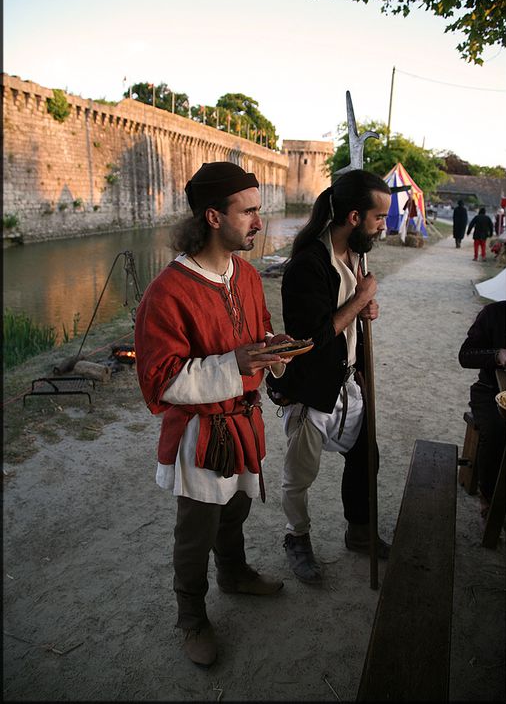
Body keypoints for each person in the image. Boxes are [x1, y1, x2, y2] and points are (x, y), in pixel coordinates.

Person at [134, 161, 292, 667]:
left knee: (237, 510)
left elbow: (256, 333)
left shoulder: (244, 274)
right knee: (196, 530)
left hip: (243, 422)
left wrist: (273, 349)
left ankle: (235, 573)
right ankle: (192, 620)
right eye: (248, 212)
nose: (259, 222)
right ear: (213, 217)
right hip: (202, 434)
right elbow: (159, 382)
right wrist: (236, 362)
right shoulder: (167, 292)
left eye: (258, 211)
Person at [266, 169, 392, 584]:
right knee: (300, 474)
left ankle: (359, 531)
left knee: (364, 457)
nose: (382, 225)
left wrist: (364, 308)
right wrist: (359, 300)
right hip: (311, 388)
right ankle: (296, 538)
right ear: (354, 217)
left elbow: (350, 318)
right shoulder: (307, 265)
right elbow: (312, 339)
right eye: (378, 217)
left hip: (347, 383)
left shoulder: (353, 257)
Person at [458, 301, 506, 518]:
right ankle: (490, 496)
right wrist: (498, 355)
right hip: (489, 391)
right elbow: (466, 356)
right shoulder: (495, 313)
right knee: (498, 432)